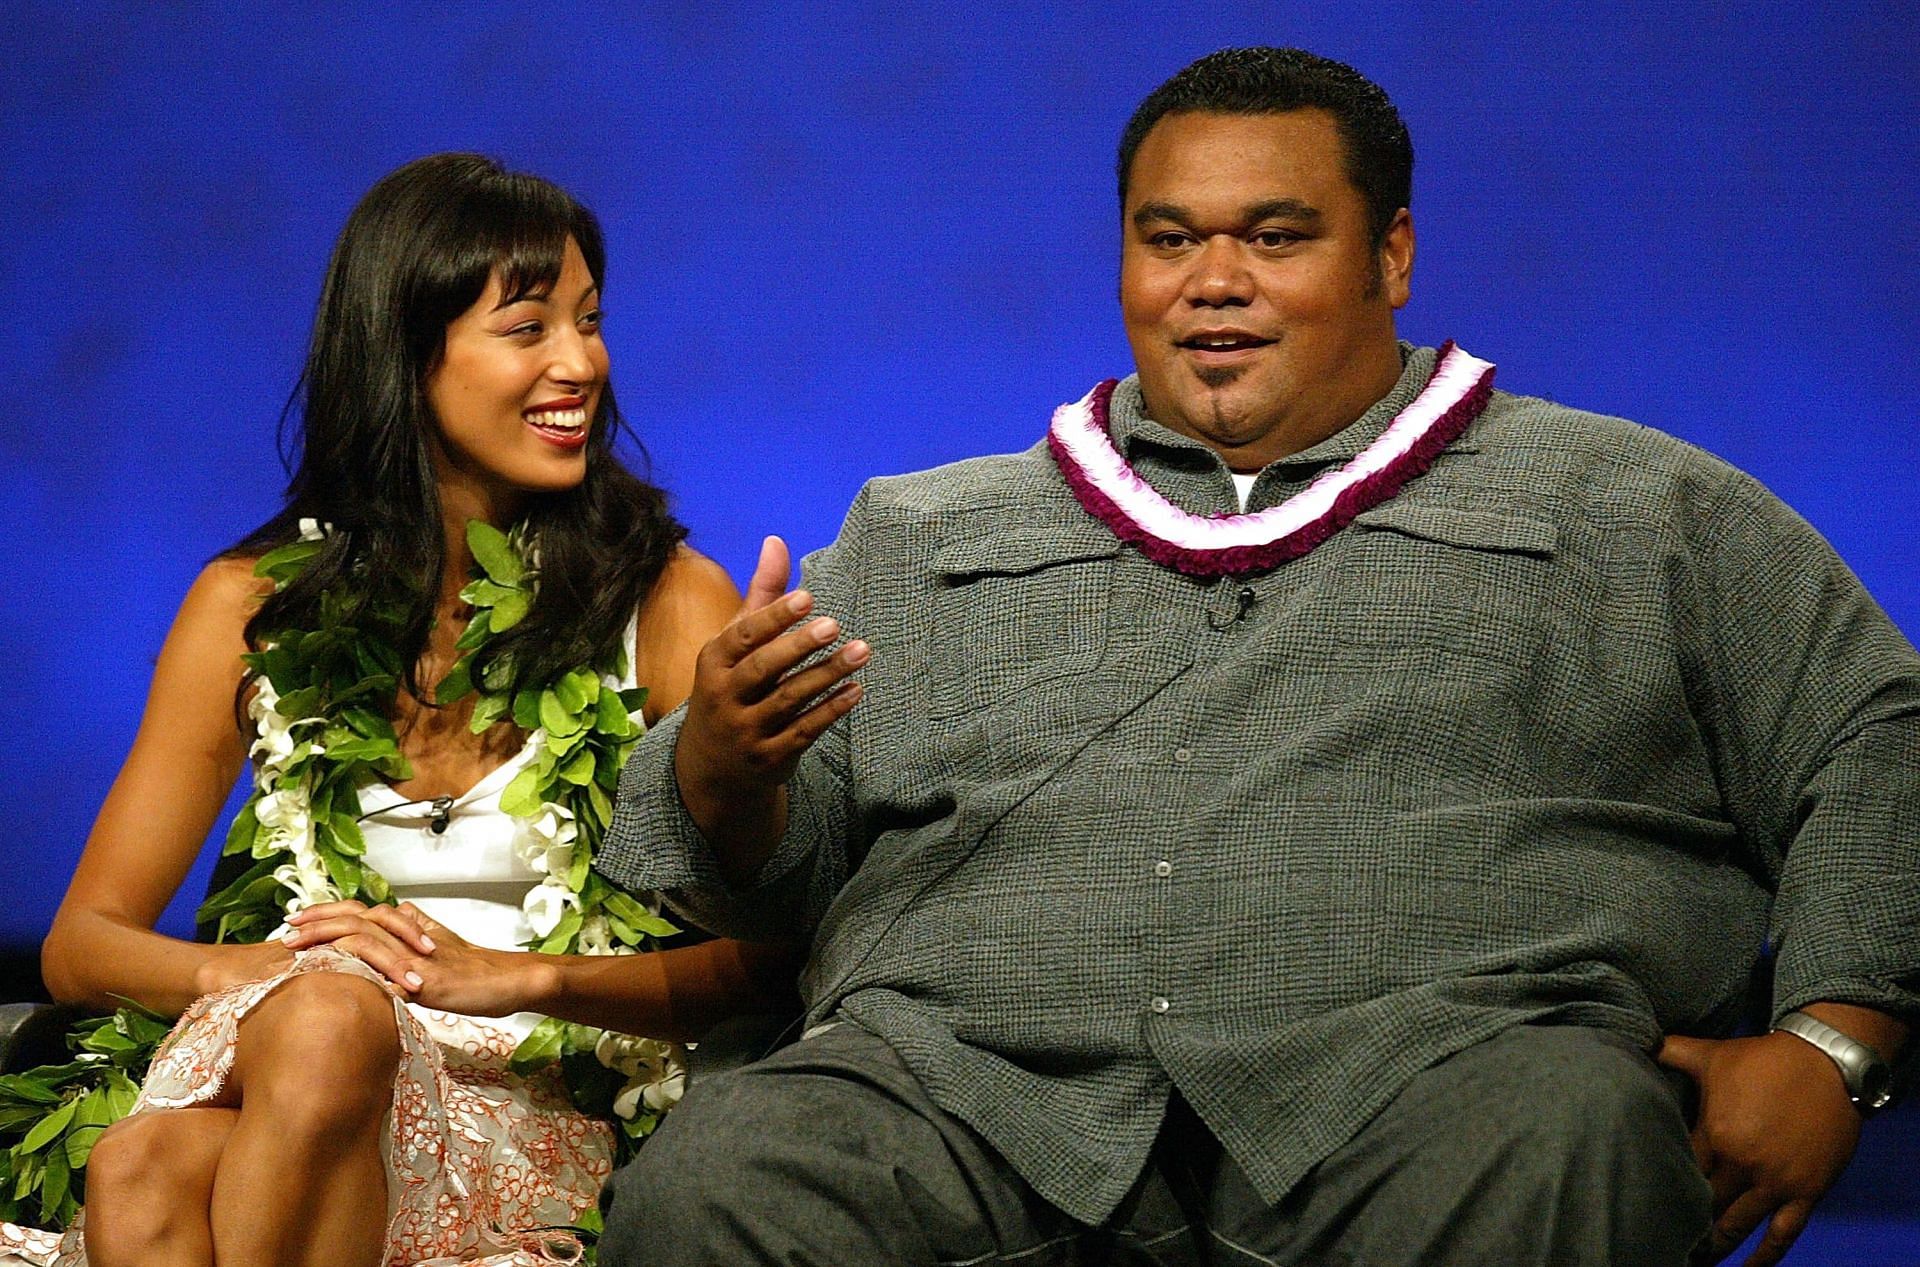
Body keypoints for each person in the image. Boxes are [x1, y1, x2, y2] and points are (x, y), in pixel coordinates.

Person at [592, 47, 1920, 1267]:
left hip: (1437, 1105)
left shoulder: (1624, 506)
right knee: (718, 1180)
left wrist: (1832, 1039)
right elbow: (769, 876)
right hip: (980, 1113)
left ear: (1391, 254)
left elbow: (1874, 732)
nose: (1213, 279)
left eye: (1276, 237)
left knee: (1570, 1129)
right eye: (1167, 239)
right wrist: (726, 769)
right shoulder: (927, 532)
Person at [0, 153, 794, 1267]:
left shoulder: (666, 605)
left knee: (166, 1160)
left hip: (531, 1098)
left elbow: (775, 961)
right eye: (529, 328)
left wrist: (513, 975)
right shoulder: (253, 605)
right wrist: (292, 971)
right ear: (405, 358)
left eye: (591, 321)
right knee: (162, 1146)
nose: (581, 363)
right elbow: (83, 943)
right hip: (292, 1072)